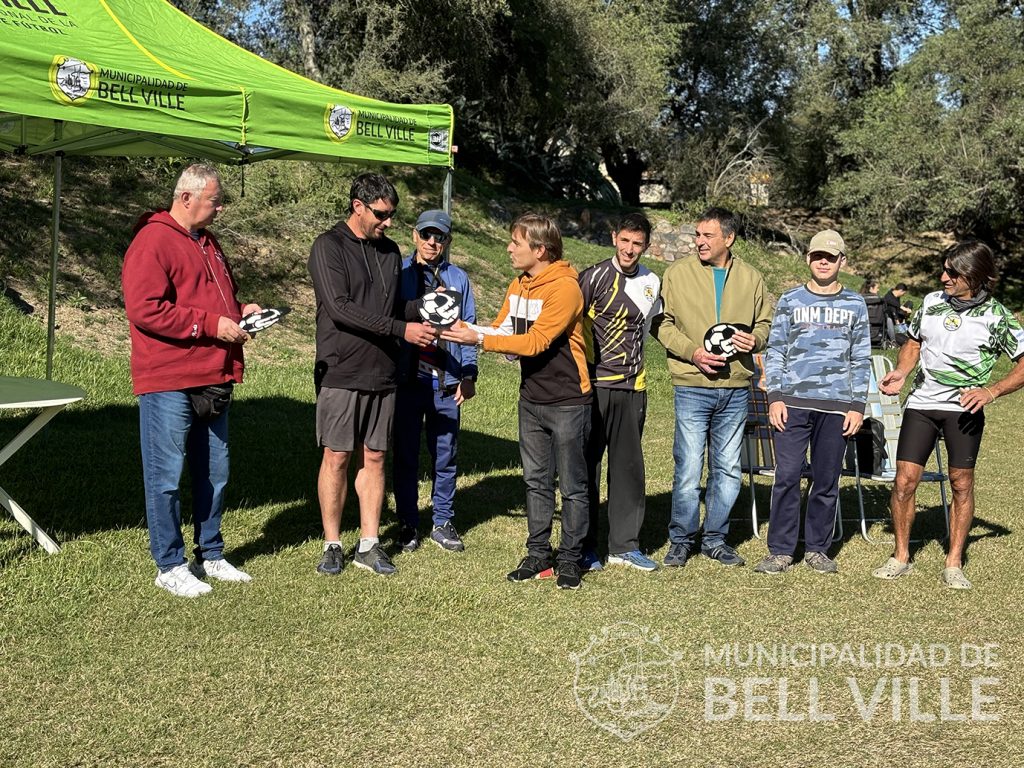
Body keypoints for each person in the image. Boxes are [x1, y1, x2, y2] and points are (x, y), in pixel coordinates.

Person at [122, 163, 259, 598]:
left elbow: (217, 302)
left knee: (215, 472)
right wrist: (208, 325)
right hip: (168, 378)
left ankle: (211, 554)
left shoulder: (209, 242)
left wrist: (242, 315)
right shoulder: (153, 240)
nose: (219, 208)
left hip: (214, 375)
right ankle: (169, 563)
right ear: (186, 198)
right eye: (214, 200)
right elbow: (145, 308)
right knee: (166, 475)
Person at [442, 214, 592, 590]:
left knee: (573, 486)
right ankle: (539, 556)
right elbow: (505, 331)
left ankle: (571, 560)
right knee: (536, 482)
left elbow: (536, 342)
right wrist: (466, 330)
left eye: (516, 243)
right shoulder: (518, 284)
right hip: (531, 399)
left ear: (539, 250)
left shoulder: (565, 289)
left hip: (569, 401)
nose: (509, 248)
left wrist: (478, 341)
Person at [873, 241, 1024, 589]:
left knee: (961, 483)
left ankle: (954, 561)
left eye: (953, 273)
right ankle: (900, 557)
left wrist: (991, 391)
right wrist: (902, 372)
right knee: (904, 481)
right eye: (944, 270)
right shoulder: (930, 303)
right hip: (922, 405)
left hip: (963, 410)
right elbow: (913, 342)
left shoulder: (997, 316)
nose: (944, 277)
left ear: (975, 275)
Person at [308, 173, 437, 577]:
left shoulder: (389, 252)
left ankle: (369, 542)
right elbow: (341, 308)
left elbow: (393, 309)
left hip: (383, 371)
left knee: (377, 457)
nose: (388, 222)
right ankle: (332, 542)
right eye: (382, 214)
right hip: (342, 370)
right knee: (338, 455)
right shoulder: (327, 247)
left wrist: (426, 309)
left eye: (393, 214)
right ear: (357, 206)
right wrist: (402, 330)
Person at [651, 207, 772, 568]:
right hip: (692, 384)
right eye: (698, 235)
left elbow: (765, 323)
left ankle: (716, 539)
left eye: (707, 236)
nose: (699, 242)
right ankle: (681, 539)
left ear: (728, 238)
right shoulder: (676, 274)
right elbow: (661, 324)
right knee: (688, 466)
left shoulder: (752, 278)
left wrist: (757, 339)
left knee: (728, 468)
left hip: (736, 387)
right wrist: (693, 353)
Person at [754, 229, 870, 575]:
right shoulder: (790, 300)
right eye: (818, 255)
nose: (823, 261)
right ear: (808, 259)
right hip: (791, 404)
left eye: (831, 257)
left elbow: (861, 358)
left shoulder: (855, 304)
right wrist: (775, 396)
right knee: (787, 476)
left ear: (842, 262)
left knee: (826, 479)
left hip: (836, 407)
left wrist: (857, 405)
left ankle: (818, 548)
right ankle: (780, 550)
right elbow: (774, 350)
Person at [578, 213, 662, 572]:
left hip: (633, 387)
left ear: (646, 246)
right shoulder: (592, 276)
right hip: (594, 387)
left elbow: (658, 326)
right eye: (624, 241)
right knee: (586, 468)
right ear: (614, 238)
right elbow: (570, 323)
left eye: (637, 243)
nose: (629, 249)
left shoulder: (652, 281)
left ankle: (624, 546)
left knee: (628, 470)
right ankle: (583, 546)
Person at [393, 209, 477, 554]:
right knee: (406, 454)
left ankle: (442, 521)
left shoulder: (459, 279)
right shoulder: (399, 272)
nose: (432, 242)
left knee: (445, 454)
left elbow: (468, 326)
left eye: (439, 236)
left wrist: (468, 374)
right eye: (426, 234)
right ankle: (408, 523)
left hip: (446, 381)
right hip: (408, 378)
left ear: (447, 241)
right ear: (415, 235)